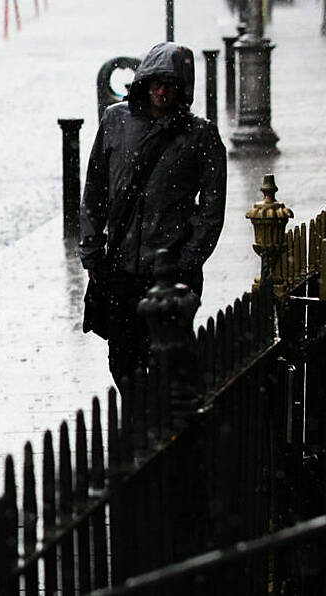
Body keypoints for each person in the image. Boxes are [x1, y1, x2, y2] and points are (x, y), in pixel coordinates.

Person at [79, 42, 227, 394]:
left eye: (170, 83)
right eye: (156, 82)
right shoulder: (115, 121)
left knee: (166, 358)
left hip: (169, 271)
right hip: (120, 267)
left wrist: (189, 260)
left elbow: (212, 206)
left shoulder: (200, 136)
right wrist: (92, 250)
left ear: (182, 88)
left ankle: (160, 428)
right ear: (144, 82)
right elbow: (95, 188)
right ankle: (139, 421)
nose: (161, 91)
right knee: (123, 359)